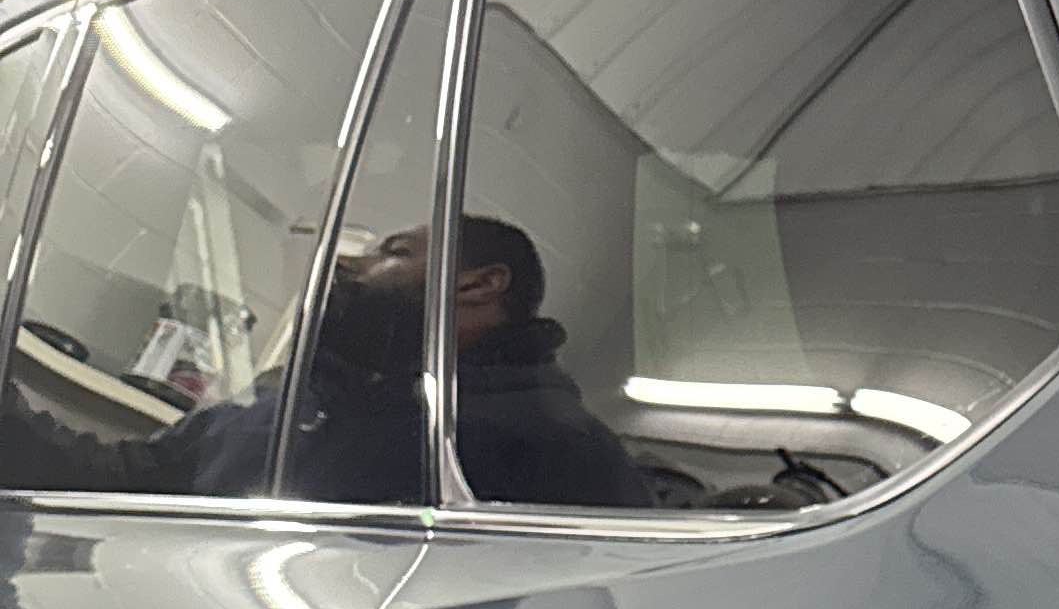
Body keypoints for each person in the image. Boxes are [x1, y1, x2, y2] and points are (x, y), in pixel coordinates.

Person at [1, 215, 652, 512]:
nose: (348, 265)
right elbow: (122, 478)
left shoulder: (553, 443)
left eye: (393, 252)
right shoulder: (284, 401)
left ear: (477, 285)